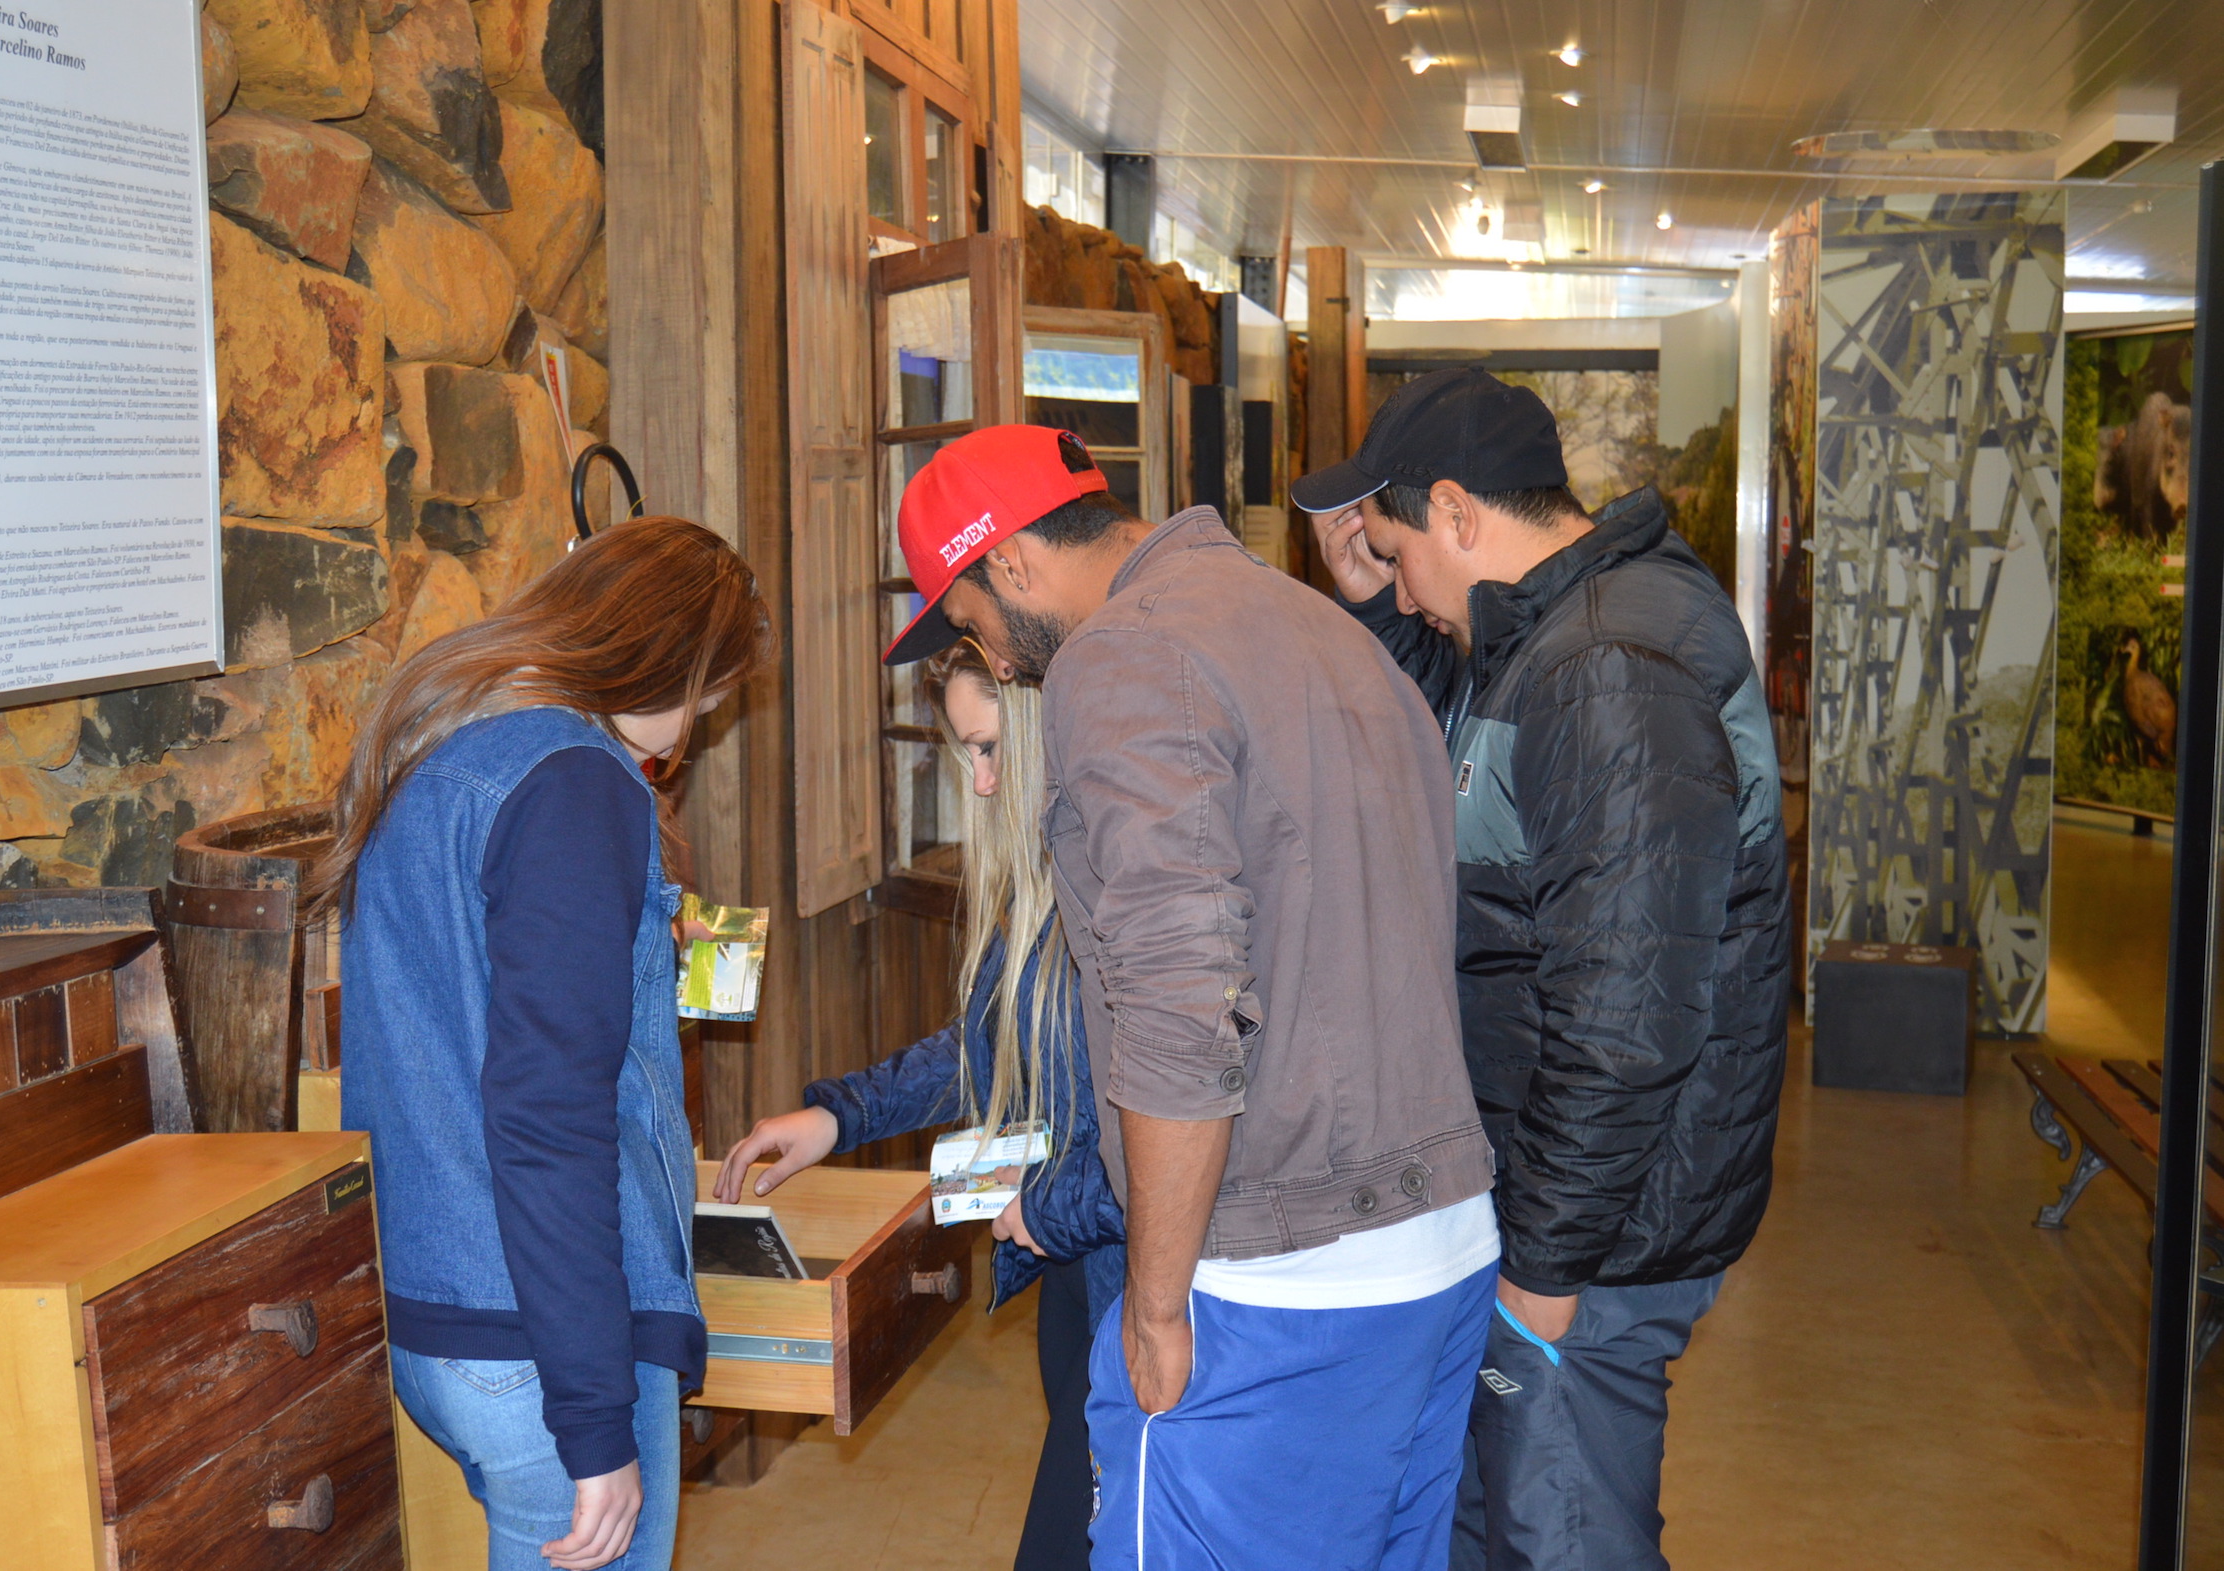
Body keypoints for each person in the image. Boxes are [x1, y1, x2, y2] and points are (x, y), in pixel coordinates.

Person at [885, 423, 1497, 1571]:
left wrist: (1156, 1300)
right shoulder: (1330, 631)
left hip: (1274, 1285)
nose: (999, 665)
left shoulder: (1122, 659)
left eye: (972, 623)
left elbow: (1180, 1005)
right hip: (1440, 1246)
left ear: (1010, 560)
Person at [1293, 366, 1789, 1571]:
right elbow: (1467, 762)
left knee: (1562, 1534)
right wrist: (1376, 610)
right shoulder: (1556, 635)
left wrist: (1546, 1266)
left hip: (1596, 1236)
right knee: (1506, 1526)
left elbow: (1626, 1013)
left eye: (1398, 555)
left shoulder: (1607, 664)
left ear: (1456, 511)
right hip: (1565, 1203)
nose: (1402, 584)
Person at [320, 517, 771, 1571]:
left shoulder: (448, 746)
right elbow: (549, 1118)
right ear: (669, 660)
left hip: (445, 1309)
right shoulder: (574, 780)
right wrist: (595, 1421)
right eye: (706, 698)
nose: (695, 726)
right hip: (543, 1337)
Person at [712, 638, 1123, 1571]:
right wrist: (838, 1117)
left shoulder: (1122, 886)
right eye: (966, 754)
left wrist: (1048, 1209)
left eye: (990, 748)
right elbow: (985, 1052)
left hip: (1137, 1287)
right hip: (1068, 1271)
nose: (981, 783)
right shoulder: (1036, 883)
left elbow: (1169, 1126)